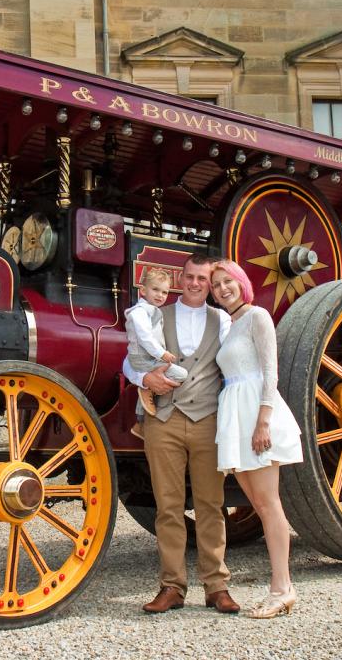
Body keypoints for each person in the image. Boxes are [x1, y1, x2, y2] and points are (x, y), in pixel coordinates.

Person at [123, 254, 240, 615]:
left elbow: (237, 363)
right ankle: (172, 587)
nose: (193, 283)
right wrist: (144, 379)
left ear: (210, 283)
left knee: (210, 505)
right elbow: (130, 358)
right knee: (168, 508)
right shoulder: (155, 314)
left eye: (202, 279)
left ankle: (217, 586)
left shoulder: (221, 319)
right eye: (189, 276)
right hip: (164, 421)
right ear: (180, 279)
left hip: (208, 419)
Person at [209, 259, 303, 619]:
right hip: (235, 410)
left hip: (255, 412)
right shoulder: (229, 325)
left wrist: (264, 420)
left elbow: (269, 370)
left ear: (241, 282)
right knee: (260, 506)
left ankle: (282, 589)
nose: (222, 289)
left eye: (227, 281)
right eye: (216, 285)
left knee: (269, 504)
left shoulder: (257, 316)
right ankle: (281, 588)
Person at [125, 267, 188, 439]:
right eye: (155, 290)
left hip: (146, 358)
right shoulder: (139, 312)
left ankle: (140, 423)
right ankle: (146, 389)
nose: (160, 295)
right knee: (181, 374)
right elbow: (145, 338)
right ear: (143, 290)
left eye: (165, 292)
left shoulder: (153, 311)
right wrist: (163, 354)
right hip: (143, 358)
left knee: (160, 381)